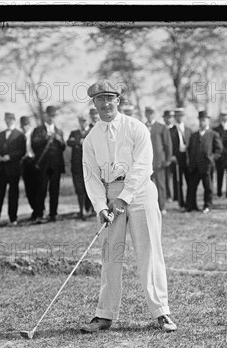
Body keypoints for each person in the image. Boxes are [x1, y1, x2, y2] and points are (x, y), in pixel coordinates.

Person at [80, 79, 177, 333]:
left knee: (149, 251)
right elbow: (90, 176)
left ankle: (161, 312)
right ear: (94, 104)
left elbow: (144, 166)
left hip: (140, 191)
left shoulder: (136, 128)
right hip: (110, 193)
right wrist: (101, 206)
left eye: (109, 98)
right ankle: (104, 315)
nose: (105, 104)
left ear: (118, 101)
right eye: (99, 99)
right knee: (111, 255)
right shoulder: (90, 139)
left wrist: (125, 197)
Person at [0, 112, 26, 227]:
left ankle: (13, 218)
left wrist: (10, 157)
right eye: (6, 119)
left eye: (10, 119)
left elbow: (22, 151)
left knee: (13, 195)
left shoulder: (19, 135)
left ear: (14, 120)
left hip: (13, 169)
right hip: (1, 169)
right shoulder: (1, 134)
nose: (8, 121)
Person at [31, 105, 66, 222]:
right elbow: (34, 144)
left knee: (54, 190)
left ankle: (53, 214)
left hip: (56, 165)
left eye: (53, 116)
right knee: (41, 190)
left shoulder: (59, 131)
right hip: (43, 166)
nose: (51, 118)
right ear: (45, 115)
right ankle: (40, 214)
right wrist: (46, 138)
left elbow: (63, 148)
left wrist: (59, 139)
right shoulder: (38, 130)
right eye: (49, 115)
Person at [186, 110, 223, 213]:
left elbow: (219, 150)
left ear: (208, 121)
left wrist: (212, 158)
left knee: (208, 187)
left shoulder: (213, 134)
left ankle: (207, 206)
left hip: (207, 166)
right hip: (195, 166)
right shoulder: (194, 135)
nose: (202, 122)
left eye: (204, 120)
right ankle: (191, 206)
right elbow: (190, 149)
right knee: (192, 187)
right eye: (201, 120)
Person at [145, 106, 172, 214]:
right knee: (146, 186)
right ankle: (148, 207)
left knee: (160, 185)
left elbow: (168, 144)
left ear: (154, 114)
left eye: (151, 113)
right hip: (146, 162)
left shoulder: (161, 127)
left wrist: (168, 158)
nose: (149, 115)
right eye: (147, 113)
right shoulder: (142, 126)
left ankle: (162, 207)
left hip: (159, 161)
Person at [67, 115, 93, 219]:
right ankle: (81, 210)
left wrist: (80, 142)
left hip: (90, 165)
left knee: (89, 188)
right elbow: (70, 142)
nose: (83, 123)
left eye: (85, 121)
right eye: (81, 121)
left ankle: (89, 209)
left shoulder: (93, 131)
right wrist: (79, 142)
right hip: (77, 165)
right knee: (79, 189)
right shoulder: (74, 133)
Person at [20, 116, 42, 222]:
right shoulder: (20, 137)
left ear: (29, 125)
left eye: (26, 125)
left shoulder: (34, 134)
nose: (24, 127)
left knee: (37, 188)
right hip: (25, 163)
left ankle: (39, 211)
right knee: (28, 190)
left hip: (35, 162)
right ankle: (34, 210)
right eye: (22, 125)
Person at [170, 107, 192, 211]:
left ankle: (189, 202)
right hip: (177, 158)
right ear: (175, 117)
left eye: (181, 116)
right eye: (177, 116)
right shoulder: (171, 130)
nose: (179, 118)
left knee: (190, 181)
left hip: (187, 158)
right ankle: (181, 203)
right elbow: (169, 145)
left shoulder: (188, 130)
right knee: (178, 182)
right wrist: (171, 156)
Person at [213, 110, 227, 200]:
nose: (224, 117)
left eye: (226, 115)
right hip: (221, 156)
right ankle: (219, 192)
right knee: (219, 174)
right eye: (222, 115)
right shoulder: (216, 129)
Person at [163, 110, 176, 202]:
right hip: (164, 158)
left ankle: (176, 196)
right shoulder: (162, 129)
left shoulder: (176, 129)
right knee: (166, 178)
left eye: (170, 117)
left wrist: (174, 156)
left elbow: (177, 144)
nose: (169, 119)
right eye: (167, 117)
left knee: (176, 178)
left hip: (174, 157)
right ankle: (168, 195)